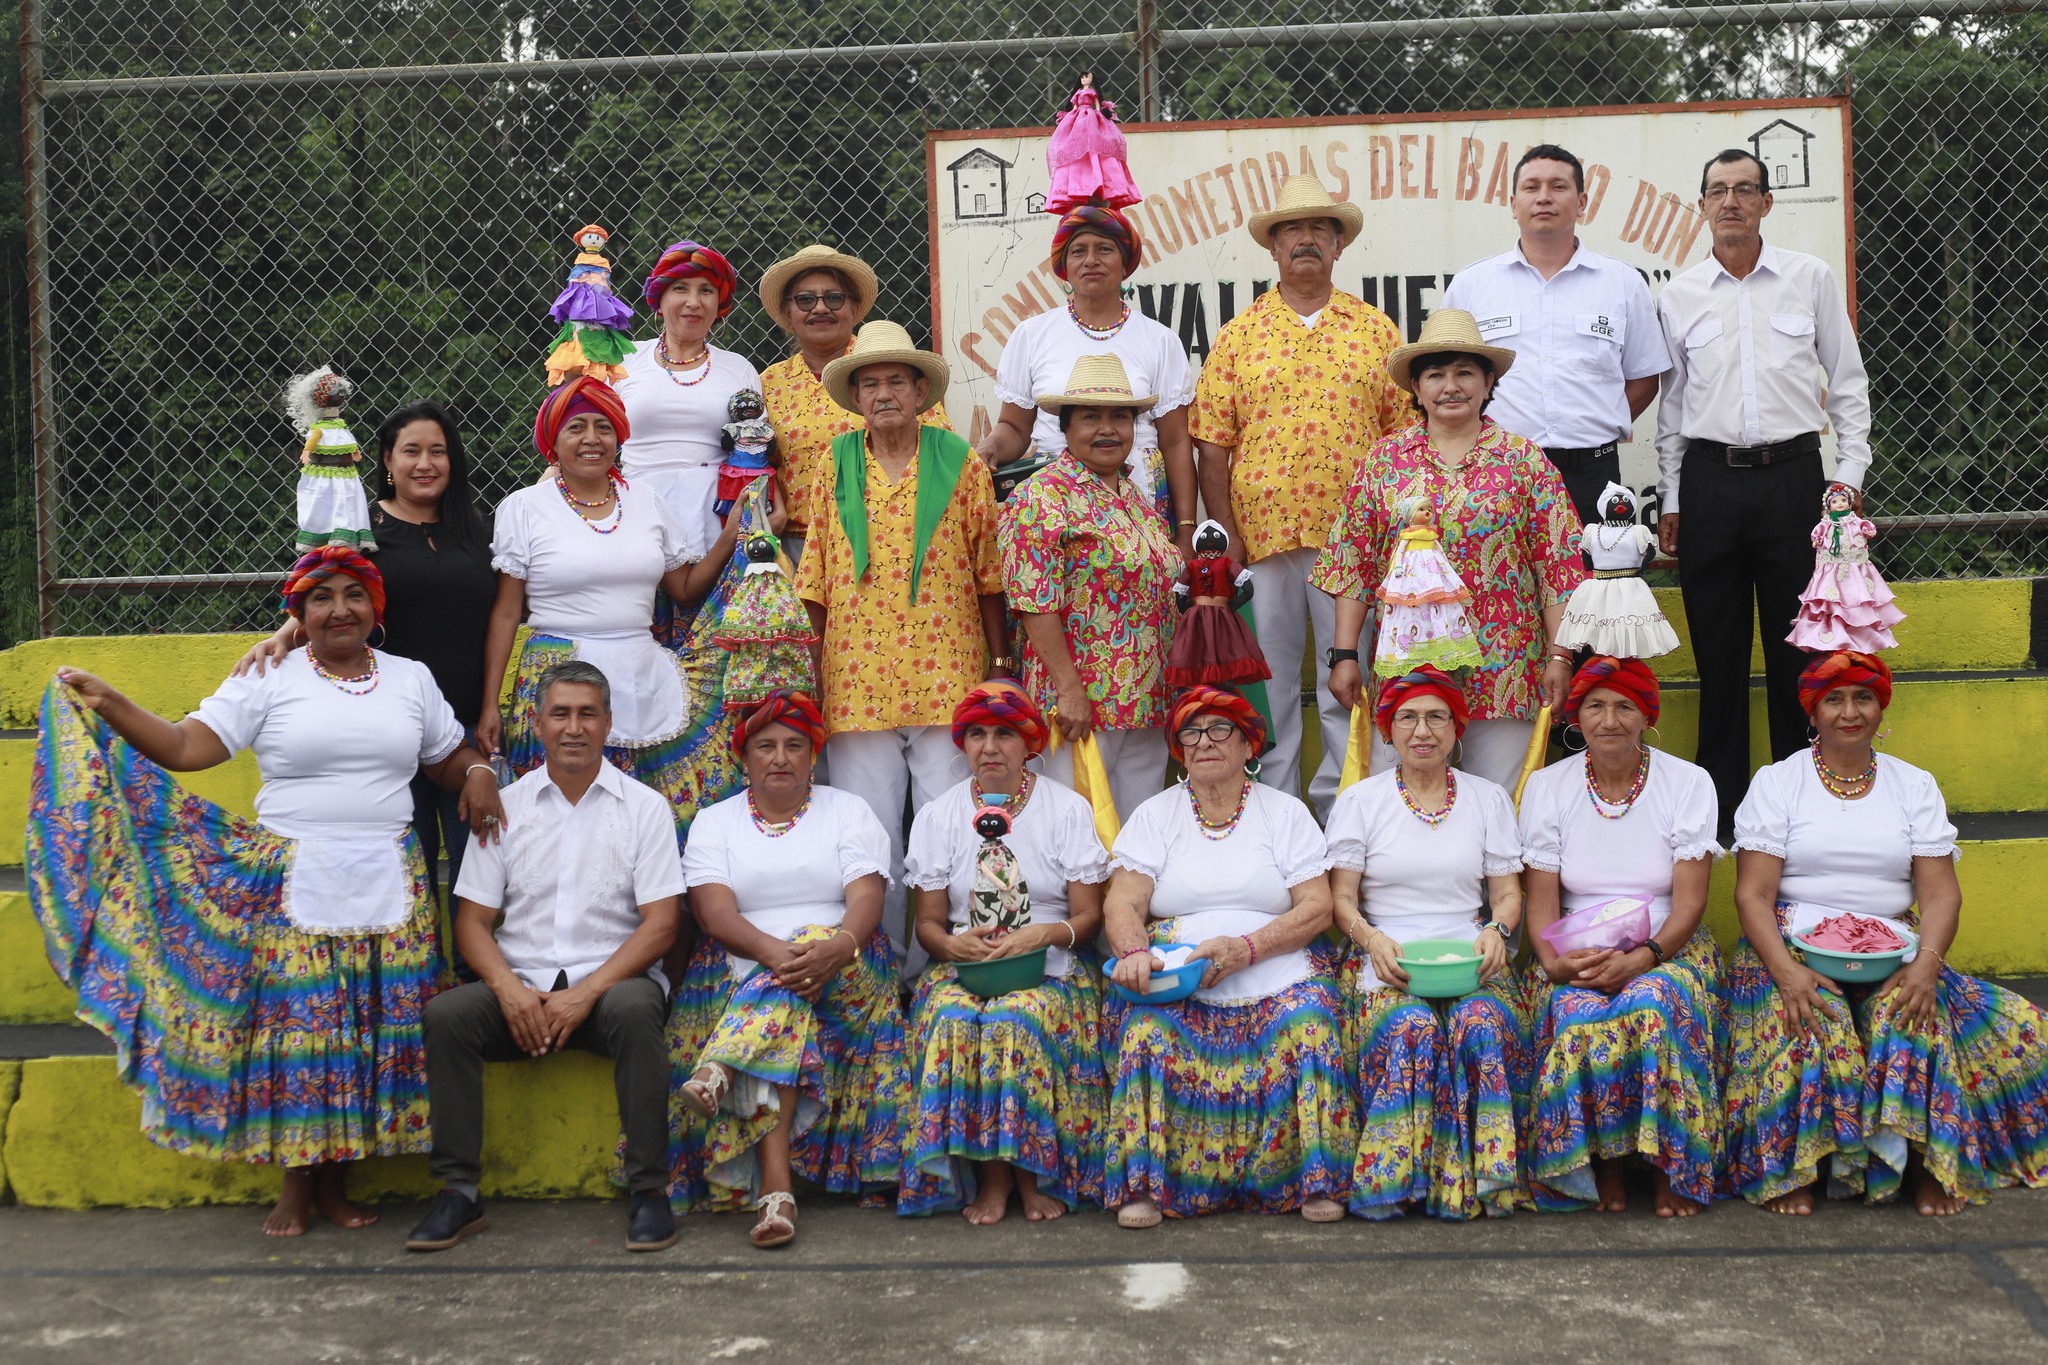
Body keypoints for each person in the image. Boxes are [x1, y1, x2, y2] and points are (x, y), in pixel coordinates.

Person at [25, 547, 504, 1237]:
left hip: (390, 882)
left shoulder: (410, 678)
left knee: (366, 1030)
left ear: (375, 608)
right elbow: (187, 746)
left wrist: (479, 771)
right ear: (299, 613)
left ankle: (337, 1184)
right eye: (321, 597)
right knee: (303, 1032)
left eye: (353, 595)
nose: (339, 609)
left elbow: (445, 756)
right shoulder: (268, 675)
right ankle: (296, 1184)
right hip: (293, 883)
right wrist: (113, 703)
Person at [1723, 651, 2048, 1216]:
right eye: (1834, 699)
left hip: (1892, 946)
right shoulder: (1778, 783)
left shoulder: (1913, 785)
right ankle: (1790, 1167)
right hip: (1788, 944)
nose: (1850, 712)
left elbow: (1941, 894)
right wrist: (1786, 971)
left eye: (1863, 698)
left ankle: (1926, 1165)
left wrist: (1925, 966)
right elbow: (1752, 894)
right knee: (1807, 1020)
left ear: (1881, 708)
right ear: (1812, 712)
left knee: (1914, 1017)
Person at [407, 661, 683, 1254]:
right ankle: (459, 1192)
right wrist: (509, 991)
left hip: (608, 993)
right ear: (537, 723)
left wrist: (584, 994)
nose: (574, 727)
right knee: (448, 1016)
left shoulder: (645, 808)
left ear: (608, 723)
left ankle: (649, 1190)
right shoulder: (505, 807)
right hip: (522, 995)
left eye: (587, 714)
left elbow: (662, 925)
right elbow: (472, 922)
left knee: (638, 1007)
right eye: (560, 714)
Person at [1655, 149, 1874, 839]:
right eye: (1717, 191)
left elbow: (1847, 382)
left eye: (1745, 189)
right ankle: (1720, 825)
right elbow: (1671, 407)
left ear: (1766, 203)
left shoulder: (1809, 278)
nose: (1731, 202)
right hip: (1710, 483)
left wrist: (1849, 475)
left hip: (1794, 482)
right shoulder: (1679, 295)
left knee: (1796, 657)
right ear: (1701, 206)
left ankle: (1795, 814)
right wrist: (1671, 496)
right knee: (1717, 663)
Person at [1190, 172, 1410, 816]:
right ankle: (1276, 817)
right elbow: (1212, 443)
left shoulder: (1375, 331)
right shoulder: (1240, 334)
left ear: (1339, 246)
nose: (1306, 239)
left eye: (1319, 228)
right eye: (1292, 230)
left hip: (1355, 542)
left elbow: (1403, 438)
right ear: (1273, 246)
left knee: (1348, 679)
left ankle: (1351, 815)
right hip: (1263, 540)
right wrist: (1226, 532)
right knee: (1271, 683)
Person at [795, 321, 1008, 977]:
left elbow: (990, 573)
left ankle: (946, 967)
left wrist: (1002, 667)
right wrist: (811, 671)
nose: (883, 393)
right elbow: (814, 576)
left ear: (920, 392)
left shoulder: (960, 462)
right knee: (871, 837)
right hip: (855, 677)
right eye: (870, 383)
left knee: (949, 827)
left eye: (896, 381)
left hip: (948, 674)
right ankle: (879, 974)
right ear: (856, 396)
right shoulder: (834, 462)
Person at [1101, 685, 1354, 1227]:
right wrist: (1136, 951)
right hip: (1178, 973)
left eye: (1220, 730)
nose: (1204, 742)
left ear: (1248, 746)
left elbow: (1318, 907)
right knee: (1146, 1032)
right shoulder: (1154, 815)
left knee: (1310, 1024)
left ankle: (1315, 1179)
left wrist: (1248, 948)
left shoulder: (1284, 813)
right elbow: (1122, 902)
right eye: (1191, 733)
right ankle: (1148, 1184)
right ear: (1179, 750)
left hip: (1274, 962)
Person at [667, 691, 910, 1248]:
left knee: (798, 961)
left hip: (845, 964)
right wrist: (779, 954)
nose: (780, 757)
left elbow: (866, 898)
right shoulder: (715, 822)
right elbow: (713, 913)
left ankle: (721, 1069)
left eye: (795, 746)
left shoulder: (847, 810)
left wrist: (837, 945)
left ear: (813, 756)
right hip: (749, 961)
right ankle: (777, 1191)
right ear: (744, 757)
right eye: (766, 746)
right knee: (787, 999)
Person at [1314, 309, 1585, 791]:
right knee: (1405, 804)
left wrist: (1560, 658)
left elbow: (1558, 568)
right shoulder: (1383, 462)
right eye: (1436, 375)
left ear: (1488, 383)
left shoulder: (1524, 461)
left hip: (1504, 668)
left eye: (1465, 373)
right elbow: (1352, 563)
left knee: (1500, 804)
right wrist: (1344, 655)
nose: (1451, 387)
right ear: (1417, 390)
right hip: (1408, 669)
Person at [237, 401, 498, 900]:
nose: (426, 464)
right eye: (412, 451)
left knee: (478, 878)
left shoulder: (477, 530)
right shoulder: (362, 531)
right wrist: (281, 636)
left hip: (465, 732)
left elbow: (501, 619)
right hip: (391, 731)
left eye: (438, 451)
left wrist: (490, 707)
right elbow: (324, 596)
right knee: (408, 877)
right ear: (387, 460)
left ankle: (469, 955)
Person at [477, 377, 739, 842]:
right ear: (552, 440)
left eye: (604, 427)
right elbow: (505, 614)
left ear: (619, 436)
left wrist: (731, 534)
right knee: (567, 825)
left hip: (642, 673)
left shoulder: (646, 500)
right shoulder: (524, 507)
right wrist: (489, 705)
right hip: (558, 677)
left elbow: (683, 588)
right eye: (576, 427)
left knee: (648, 823)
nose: (592, 439)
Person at [1519, 657, 1726, 1218]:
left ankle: (1666, 1162)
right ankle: (1605, 1160)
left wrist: (1645, 958)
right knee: (1575, 1010)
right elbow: (1541, 900)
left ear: (1647, 717)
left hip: (1667, 946)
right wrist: (1553, 963)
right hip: (1576, 946)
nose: (1609, 720)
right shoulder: (1548, 787)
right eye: (1594, 706)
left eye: (1624, 707)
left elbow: (1691, 902)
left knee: (1653, 1004)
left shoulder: (1688, 783)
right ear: (1576, 717)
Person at [1326, 667, 1533, 1220]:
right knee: (1409, 1026)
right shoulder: (1361, 801)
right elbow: (1341, 900)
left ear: (1457, 728)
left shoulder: (1488, 799)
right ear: (1387, 730)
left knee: (1480, 1023)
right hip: (1385, 956)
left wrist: (1497, 931)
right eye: (1408, 718)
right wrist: (1371, 939)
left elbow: (1507, 896)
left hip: (1470, 955)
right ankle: (1395, 1183)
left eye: (1437, 717)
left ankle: (1488, 1178)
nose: (1423, 731)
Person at [899, 682, 1111, 1223]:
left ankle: (1029, 1176)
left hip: (1051, 962)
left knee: (1015, 1020)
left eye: (1004, 734)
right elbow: (928, 924)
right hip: (965, 964)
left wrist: (1039, 935)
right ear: (962, 745)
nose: (989, 747)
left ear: (1029, 744)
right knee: (951, 1018)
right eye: (976, 734)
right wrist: (951, 944)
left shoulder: (1066, 809)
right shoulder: (939, 815)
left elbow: (1088, 918)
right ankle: (992, 1178)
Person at [1442, 144, 1671, 527]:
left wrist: (1596, 422)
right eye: (1531, 187)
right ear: (1513, 203)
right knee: (1499, 567)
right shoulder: (1472, 285)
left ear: (1581, 203)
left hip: (1593, 475)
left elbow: (1645, 378)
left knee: (1594, 567)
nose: (1544, 197)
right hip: (1497, 471)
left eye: (1558, 186)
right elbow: (1447, 376)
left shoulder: (1622, 283)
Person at [1000, 354, 1182, 817]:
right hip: (1080, 706)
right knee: (1079, 829)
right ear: (1065, 427)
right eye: (1090, 417)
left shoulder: (1134, 498)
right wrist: (1069, 690)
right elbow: (1034, 602)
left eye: (1120, 417)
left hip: (1146, 703)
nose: (1107, 429)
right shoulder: (1041, 495)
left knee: (1138, 833)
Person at [980, 202, 1195, 537]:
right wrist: (991, 446)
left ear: (1125, 263)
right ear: (1064, 266)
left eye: (1104, 249)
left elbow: (1176, 441)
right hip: (1055, 501)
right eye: (1078, 251)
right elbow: (1014, 427)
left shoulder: (1159, 340)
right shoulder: (1032, 335)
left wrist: (1185, 529)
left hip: (1141, 496)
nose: (1091, 260)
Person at [756, 244, 953, 564]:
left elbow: (940, 446)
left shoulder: (888, 365)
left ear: (854, 308)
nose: (820, 308)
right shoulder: (769, 384)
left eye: (834, 298)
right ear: (788, 314)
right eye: (805, 300)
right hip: (797, 546)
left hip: (890, 537)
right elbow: (760, 460)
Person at [617, 240, 778, 562]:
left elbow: (757, 449)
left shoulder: (738, 369)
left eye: (706, 290)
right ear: (659, 300)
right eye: (680, 289)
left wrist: (776, 507)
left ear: (719, 304)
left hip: (720, 521)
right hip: (637, 515)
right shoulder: (624, 360)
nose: (693, 302)